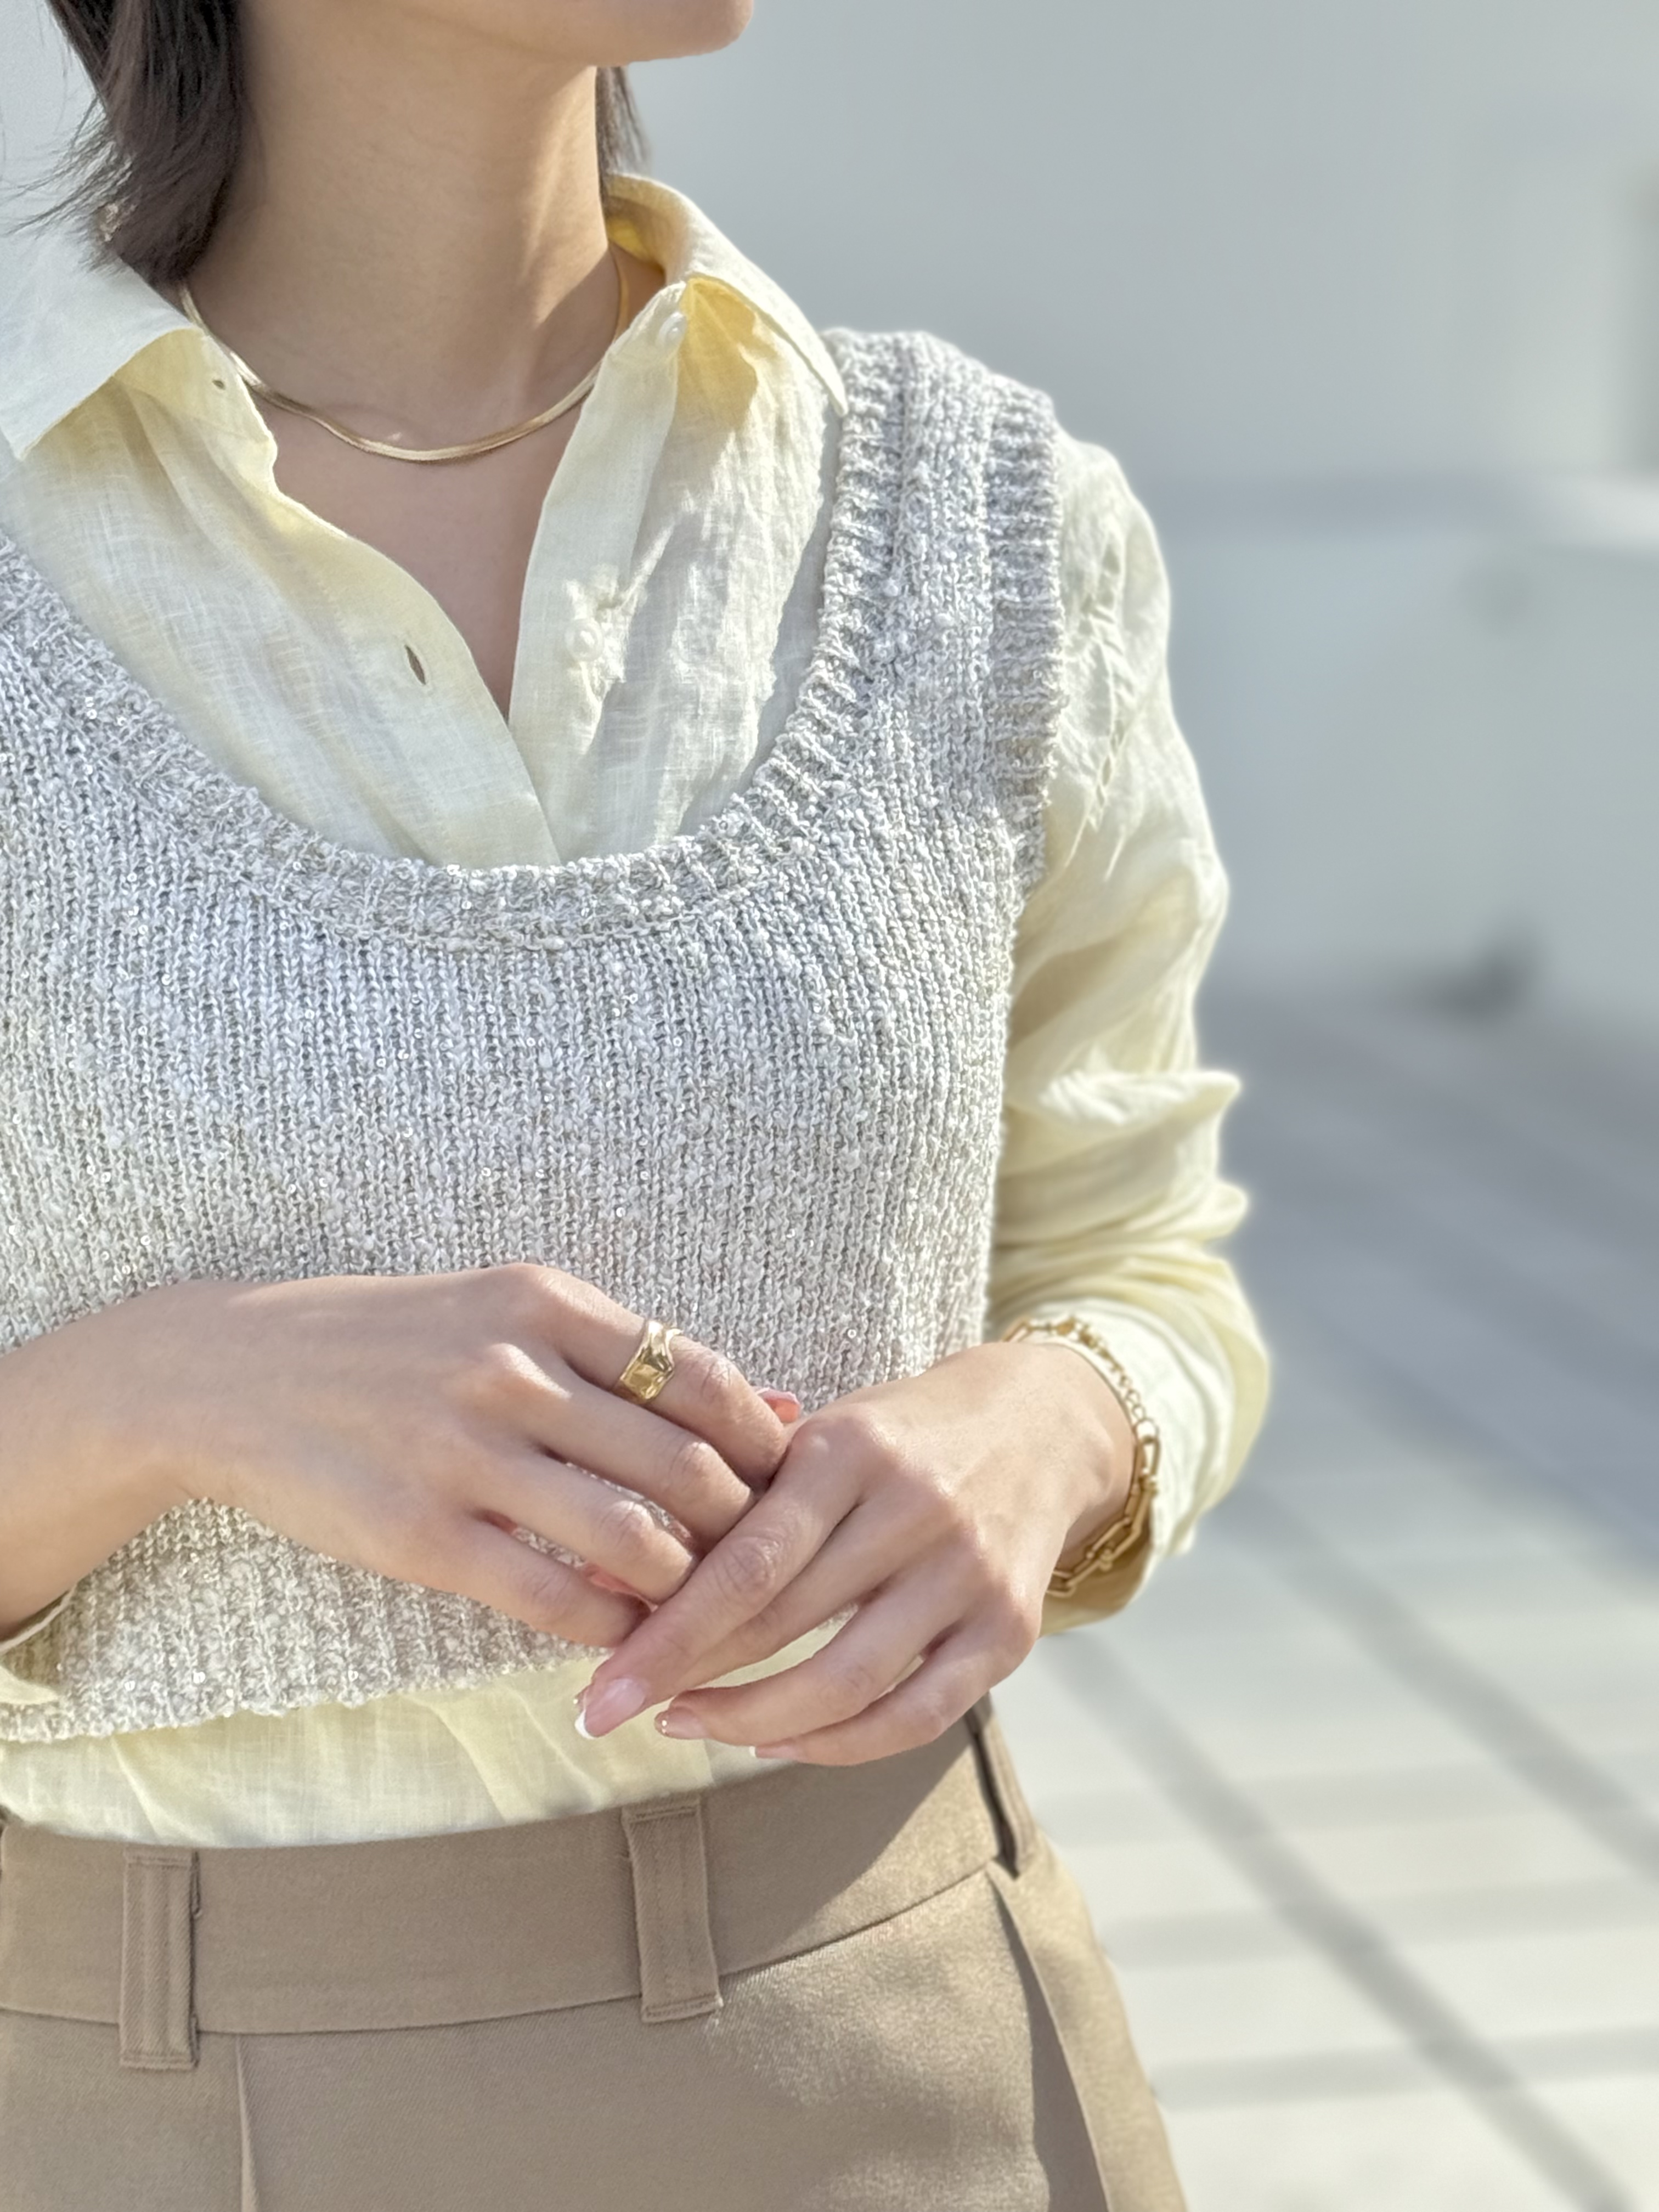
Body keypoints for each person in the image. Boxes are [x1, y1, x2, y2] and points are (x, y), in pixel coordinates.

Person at [0, 3, 1267, 2205]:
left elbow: (1145, 1262)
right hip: (159, 2097)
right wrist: (158, 1401)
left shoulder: (980, 522)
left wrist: (1055, 1422)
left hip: (914, 2029)